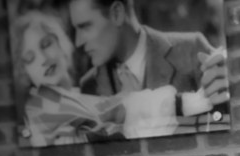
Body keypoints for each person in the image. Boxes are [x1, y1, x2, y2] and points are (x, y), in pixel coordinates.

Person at [10, 6, 177, 146]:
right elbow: (99, 112)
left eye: (46, 44)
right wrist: (128, 96)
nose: (43, 59)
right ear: (24, 71)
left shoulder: (87, 88)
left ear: (61, 43)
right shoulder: (39, 106)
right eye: (30, 59)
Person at [60, 0, 228, 127]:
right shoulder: (89, 86)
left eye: (85, 26)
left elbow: (223, 122)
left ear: (117, 13)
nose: (78, 42)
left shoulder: (192, 50)